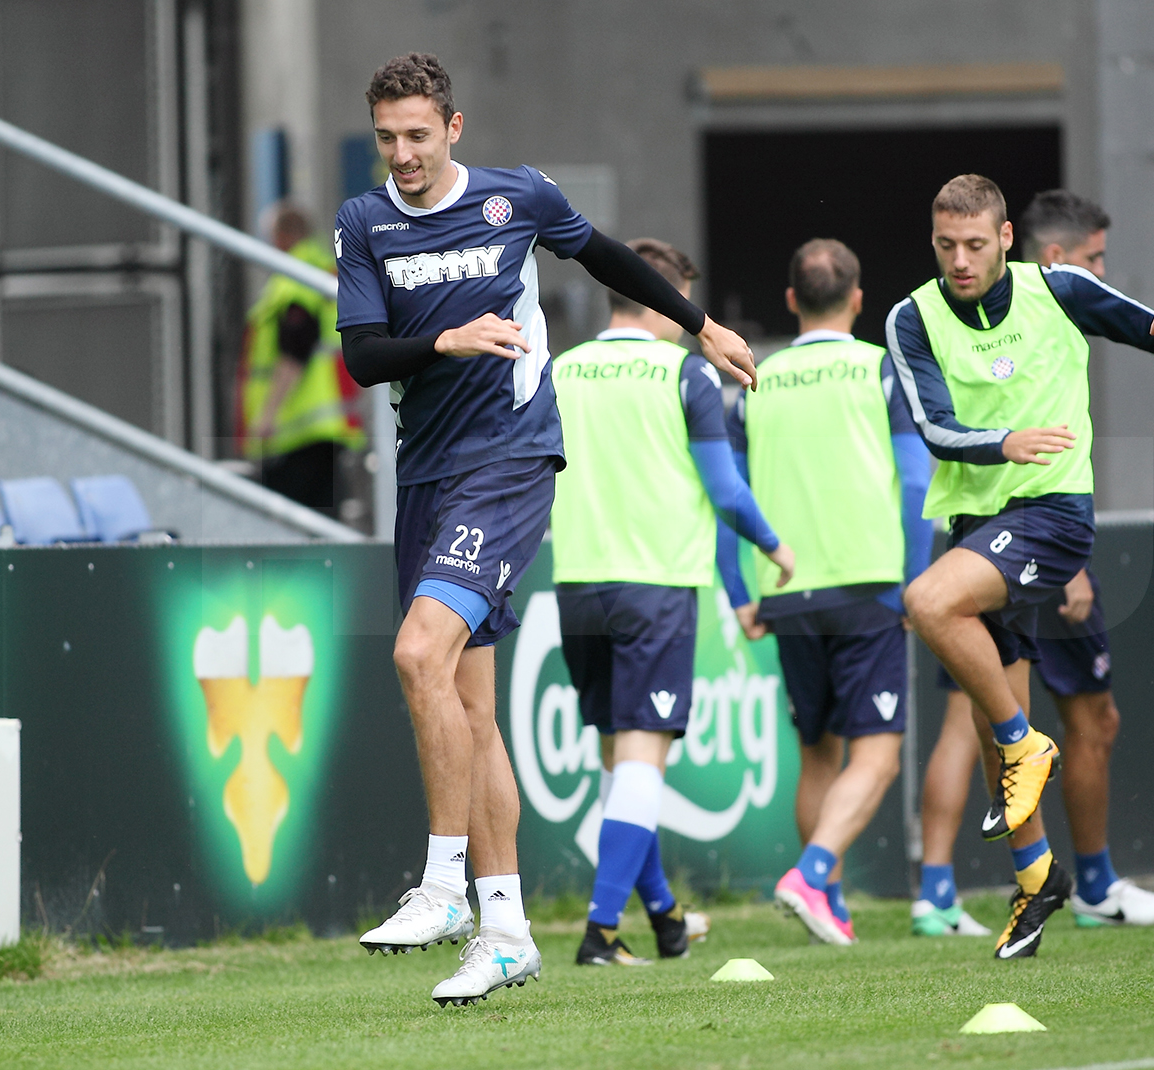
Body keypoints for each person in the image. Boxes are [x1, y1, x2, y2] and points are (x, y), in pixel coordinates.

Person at [334, 54, 758, 1006]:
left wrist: (698, 327)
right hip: (427, 480)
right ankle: (509, 934)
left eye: (417, 134)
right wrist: (442, 340)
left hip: (511, 463)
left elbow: (605, 253)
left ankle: (446, 886)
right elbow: (363, 358)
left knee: (415, 656)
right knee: (472, 713)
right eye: (386, 137)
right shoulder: (364, 223)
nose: (401, 153)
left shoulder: (515, 199)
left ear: (453, 127)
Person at [892, 174, 1154, 958]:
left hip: (1050, 515)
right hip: (978, 524)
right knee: (989, 726)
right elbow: (932, 427)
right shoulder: (910, 316)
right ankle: (1038, 883)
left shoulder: (1058, 288)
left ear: (1006, 238)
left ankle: (1028, 746)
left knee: (929, 603)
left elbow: (1149, 325)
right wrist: (1000, 443)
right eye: (946, 245)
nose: (960, 259)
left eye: (975, 245)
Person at [550, 239, 792, 965]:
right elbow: (725, 492)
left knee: (621, 763)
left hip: (578, 581)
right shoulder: (683, 372)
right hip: (654, 583)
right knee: (641, 765)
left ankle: (662, 916)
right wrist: (774, 546)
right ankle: (599, 931)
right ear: (671, 295)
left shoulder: (561, 370)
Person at [718, 239, 931, 945]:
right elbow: (916, 483)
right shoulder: (882, 369)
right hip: (868, 580)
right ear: (860, 298)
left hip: (787, 589)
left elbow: (729, 496)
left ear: (789, 300)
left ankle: (826, 901)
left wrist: (739, 591)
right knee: (877, 753)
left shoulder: (756, 379)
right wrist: (915, 580)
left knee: (819, 752)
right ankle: (812, 874)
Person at [239, 203, 366, 514]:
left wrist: (267, 416)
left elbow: (295, 351)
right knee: (324, 519)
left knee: (295, 525)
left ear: (282, 238)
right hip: (325, 426)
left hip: (299, 431)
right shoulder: (323, 272)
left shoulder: (294, 280)